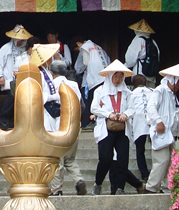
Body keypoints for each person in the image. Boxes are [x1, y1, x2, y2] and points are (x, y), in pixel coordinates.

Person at [90, 60, 143, 195]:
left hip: (122, 129)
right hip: (106, 128)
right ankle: (98, 182)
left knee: (123, 159)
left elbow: (132, 109)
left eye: (120, 76)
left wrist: (125, 114)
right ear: (110, 76)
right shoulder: (100, 91)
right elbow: (94, 108)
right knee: (106, 159)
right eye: (116, 76)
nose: (118, 79)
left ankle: (120, 187)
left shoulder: (126, 92)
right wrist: (109, 114)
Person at [145, 64, 179, 194]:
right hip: (161, 132)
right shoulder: (160, 91)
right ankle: (151, 187)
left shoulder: (172, 95)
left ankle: (167, 187)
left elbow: (175, 113)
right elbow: (151, 108)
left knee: (175, 158)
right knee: (162, 160)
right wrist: (158, 121)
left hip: (172, 133)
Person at [48, 59, 86, 196]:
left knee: (57, 159)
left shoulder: (51, 85)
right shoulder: (74, 84)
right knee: (70, 159)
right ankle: (79, 179)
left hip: (59, 125)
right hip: (74, 125)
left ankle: (57, 189)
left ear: (52, 73)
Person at [0, 25, 33, 128]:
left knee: (18, 99)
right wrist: (0, 76)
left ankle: (12, 120)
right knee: (13, 96)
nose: (20, 42)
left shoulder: (26, 51)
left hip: (22, 80)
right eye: (18, 40)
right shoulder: (5, 48)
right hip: (8, 80)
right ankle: (3, 117)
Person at [73, 36, 110, 128]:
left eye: (77, 49)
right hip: (104, 76)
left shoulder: (84, 47)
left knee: (91, 101)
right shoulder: (98, 47)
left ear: (78, 44)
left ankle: (88, 121)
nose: (78, 51)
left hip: (94, 79)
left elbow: (83, 64)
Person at [125, 19, 160, 88]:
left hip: (140, 74)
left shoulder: (138, 41)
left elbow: (130, 60)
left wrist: (124, 67)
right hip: (152, 75)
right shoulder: (153, 42)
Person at [130, 74, 153, 181]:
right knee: (156, 148)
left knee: (140, 150)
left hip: (139, 123)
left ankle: (144, 174)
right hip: (153, 121)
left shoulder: (131, 94)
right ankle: (155, 172)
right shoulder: (152, 91)